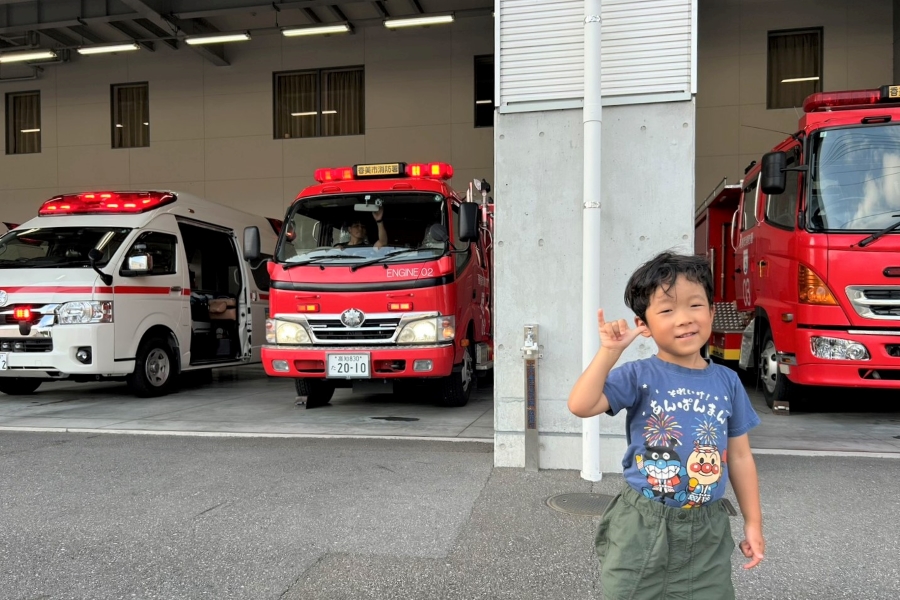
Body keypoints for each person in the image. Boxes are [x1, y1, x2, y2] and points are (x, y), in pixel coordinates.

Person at [567, 251, 764, 600]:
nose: (684, 319)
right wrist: (609, 352)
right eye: (667, 310)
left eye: (695, 305)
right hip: (642, 525)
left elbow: (740, 457)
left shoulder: (728, 382)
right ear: (643, 325)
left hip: (707, 530)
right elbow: (581, 404)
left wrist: (753, 522)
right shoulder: (639, 375)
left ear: (712, 311)